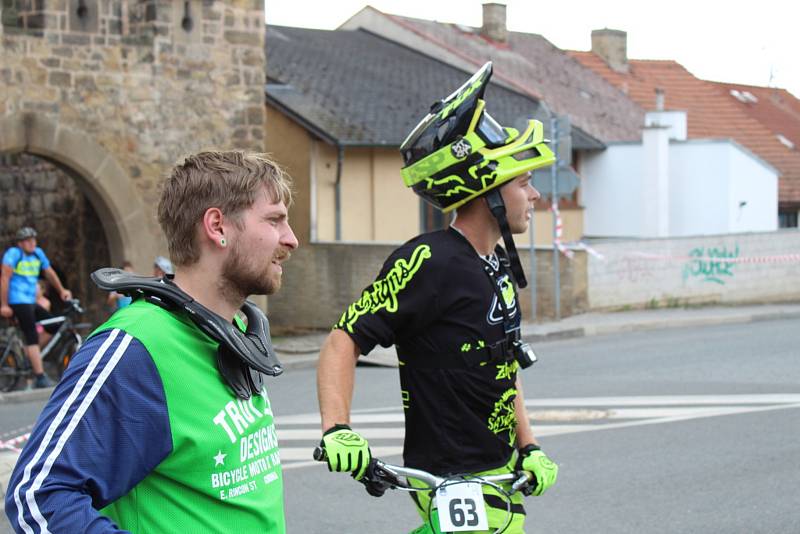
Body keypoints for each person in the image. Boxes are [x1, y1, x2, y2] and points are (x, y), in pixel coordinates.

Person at [316, 63, 559, 533]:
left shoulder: (497, 265)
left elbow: (504, 363)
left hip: (501, 478)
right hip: (450, 484)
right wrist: (337, 428)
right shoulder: (429, 261)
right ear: (487, 188)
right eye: (523, 182)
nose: (534, 195)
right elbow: (343, 340)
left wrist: (529, 445)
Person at [5, 150, 299, 533]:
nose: (291, 240)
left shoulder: (236, 336)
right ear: (217, 226)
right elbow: (39, 497)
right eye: (274, 220)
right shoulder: (137, 347)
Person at [1, 227, 72, 389]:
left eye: (33, 239)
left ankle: (30, 354)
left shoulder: (37, 253)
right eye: (27, 240)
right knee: (31, 333)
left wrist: (62, 290)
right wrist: (4, 305)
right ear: (20, 243)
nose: (32, 242)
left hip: (31, 301)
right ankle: (40, 376)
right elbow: (4, 279)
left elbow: (50, 273)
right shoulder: (13, 254)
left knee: (54, 324)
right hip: (17, 300)